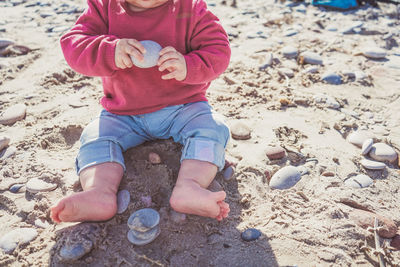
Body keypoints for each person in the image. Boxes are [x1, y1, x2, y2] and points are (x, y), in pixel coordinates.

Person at [50, 0, 231, 223]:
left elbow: (218, 50)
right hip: (123, 114)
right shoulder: (104, 8)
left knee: (213, 128)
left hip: (184, 107)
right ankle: (99, 192)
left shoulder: (190, 9)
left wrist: (188, 65)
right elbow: (73, 45)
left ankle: (191, 186)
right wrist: (109, 50)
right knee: (95, 137)